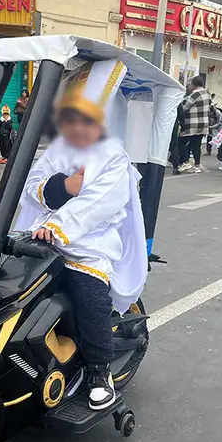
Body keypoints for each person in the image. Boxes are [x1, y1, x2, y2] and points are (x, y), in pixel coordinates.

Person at [18, 59, 147, 411]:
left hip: (90, 244)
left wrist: (59, 225)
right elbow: (31, 188)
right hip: (42, 238)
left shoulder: (113, 157)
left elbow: (99, 203)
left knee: (89, 292)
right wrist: (63, 186)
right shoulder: (57, 151)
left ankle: (98, 371)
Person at [178, 75, 213, 173]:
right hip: (203, 125)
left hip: (192, 124)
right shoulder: (207, 94)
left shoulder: (194, 95)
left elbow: (184, 108)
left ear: (194, 84)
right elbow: (210, 107)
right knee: (196, 145)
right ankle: (197, 166)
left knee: (181, 142)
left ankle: (186, 162)